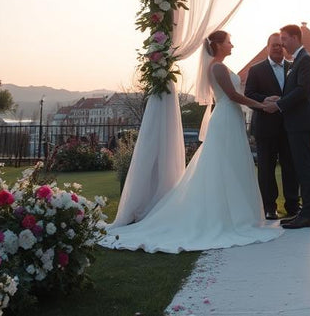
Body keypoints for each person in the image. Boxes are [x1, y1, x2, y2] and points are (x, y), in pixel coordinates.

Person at [104, 30, 283, 252]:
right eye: (229, 42)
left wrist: (263, 99)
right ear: (217, 45)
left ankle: (230, 213)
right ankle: (224, 217)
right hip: (226, 118)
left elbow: (237, 93)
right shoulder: (217, 67)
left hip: (231, 117)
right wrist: (263, 106)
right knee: (223, 166)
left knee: (231, 166)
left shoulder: (220, 67)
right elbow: (233, 95)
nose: (232, 45)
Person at [263, 24, 310, 229]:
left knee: (304, 169)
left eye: (284, 39)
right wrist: (281, 97)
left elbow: (303, 91)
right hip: (294, 123)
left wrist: (278, 105)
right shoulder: (297, 60)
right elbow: (294, 91)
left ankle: (308, 215)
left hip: (300, 123)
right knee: (300, 168)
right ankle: (304, 213)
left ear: (295, 38)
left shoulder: (306, 60)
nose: (282, 43)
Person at [244, 33, 301, 220]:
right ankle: (269, 207)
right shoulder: (256, 69)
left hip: (289, 126)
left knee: (290, 167)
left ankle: (293, 206)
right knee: (266, 169)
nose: (278, 47)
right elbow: (249, 94)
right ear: (267, 47)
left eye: (280, 45)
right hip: (265, 127)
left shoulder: (294, 68)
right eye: (274, 45)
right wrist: (264, 99)